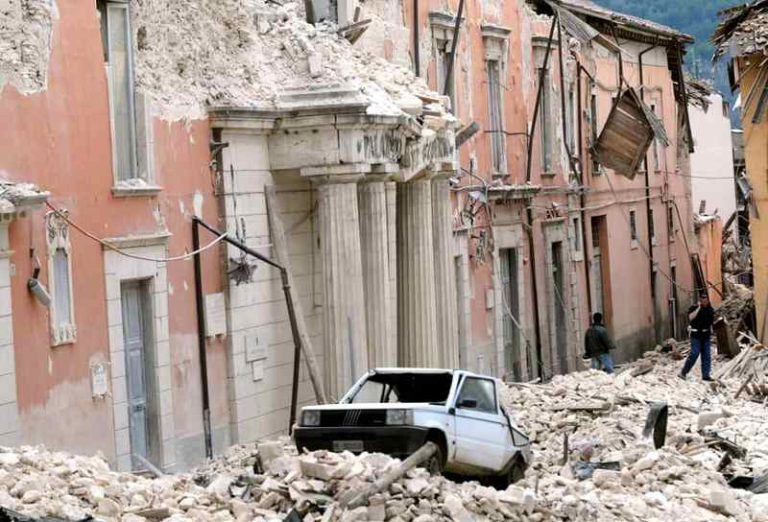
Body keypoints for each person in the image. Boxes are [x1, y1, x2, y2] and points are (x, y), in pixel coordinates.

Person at [680, 293, 715, 381]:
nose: (704, 300)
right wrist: (699, 308)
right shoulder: (694, 308)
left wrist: (711, 330)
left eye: (706, 298)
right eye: (702, 298)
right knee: (694, 353)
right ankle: (684, 372)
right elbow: (691, 317)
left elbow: (711, 322)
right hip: (696, 335)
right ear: (699, 299)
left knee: (706, 355)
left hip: (705, 335)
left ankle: (706, 375)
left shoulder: (710, 310)